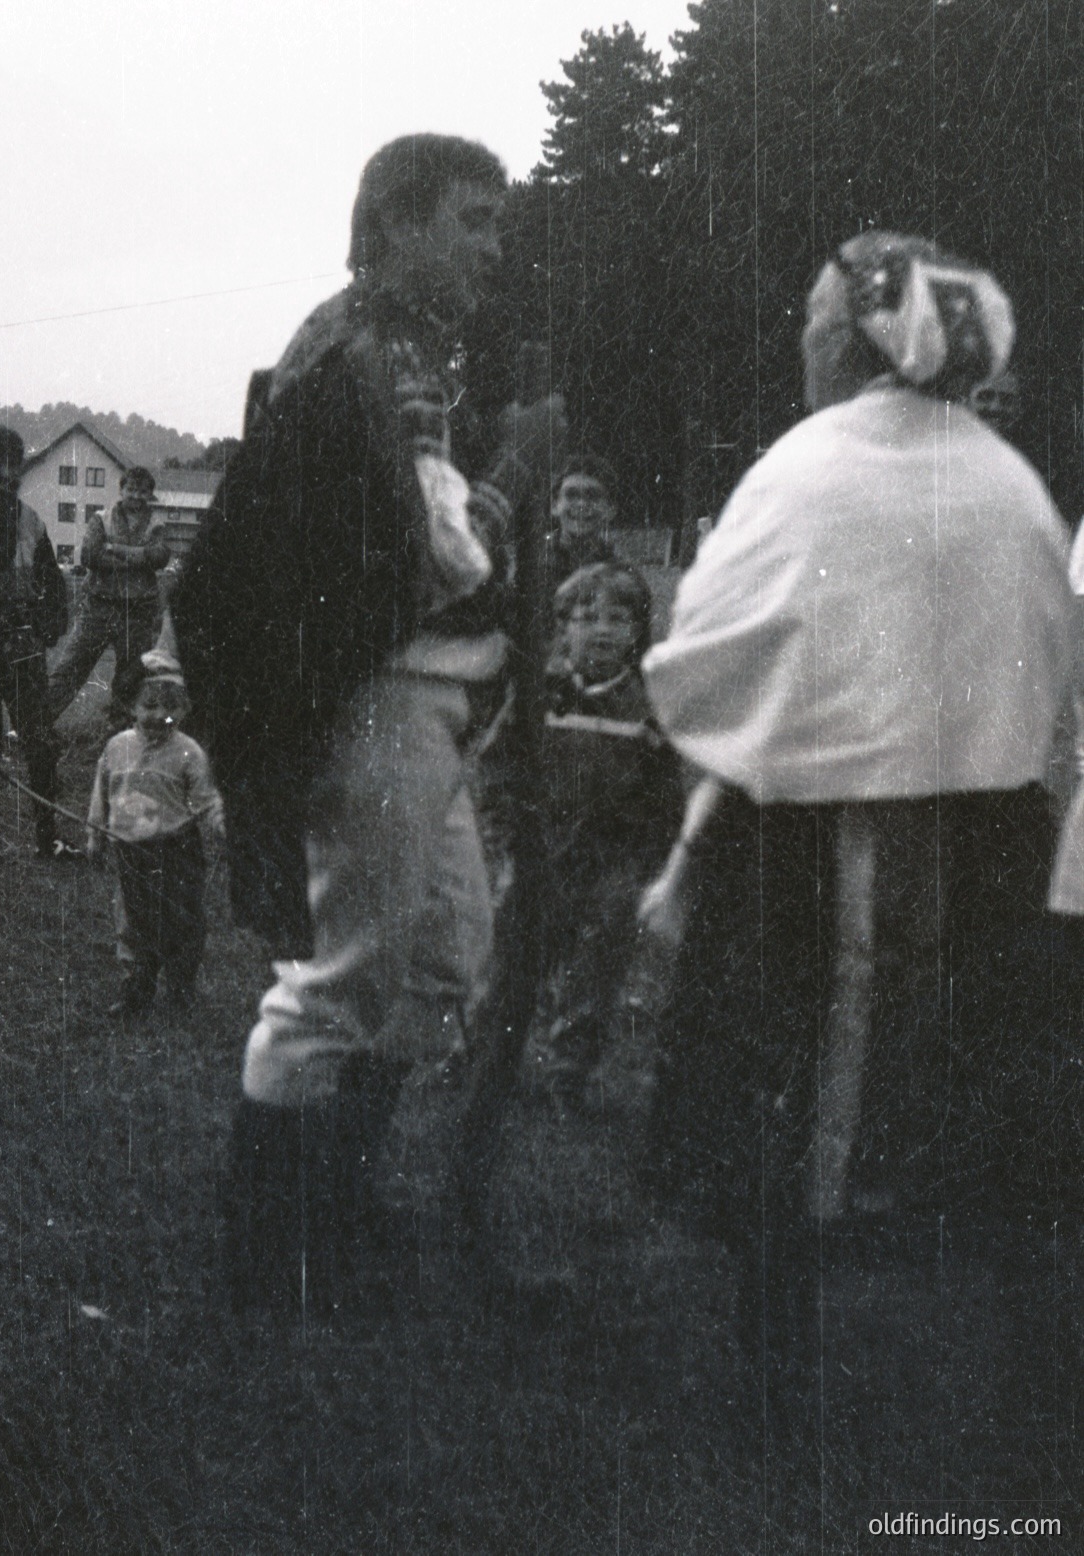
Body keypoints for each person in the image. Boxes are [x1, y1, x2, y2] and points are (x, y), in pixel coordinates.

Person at [640, 232, 1076, 1429]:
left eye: (809, 315)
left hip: (797, 842)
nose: (800, 336)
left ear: (851, 334)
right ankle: (1030, 1396)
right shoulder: (1009, 479)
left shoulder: (805, 466)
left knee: (777, 1111)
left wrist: (777, 724)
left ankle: (773, 1379)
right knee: (990, 1114)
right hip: (985, 843)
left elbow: (703, 648)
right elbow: (1044, 658)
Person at [172, 133, 562, 1315]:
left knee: (444, 957)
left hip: (428, 695)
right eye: (471, 221)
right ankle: (266, 1256)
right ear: (390, 225)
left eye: (499, 223)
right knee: (340, 981)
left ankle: (331, 1209)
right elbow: (437, 556)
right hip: (380, 694)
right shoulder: (365, 357)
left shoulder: (402, 353)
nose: (494, 248)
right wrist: (516, 465)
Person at [521, 562, 681, 1102]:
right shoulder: (538, 696)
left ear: (638, 632)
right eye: (586, 617)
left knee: (596, 967)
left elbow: (665, 799)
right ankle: (486, 1052)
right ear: (562, 626)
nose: (602, 629)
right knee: (515, 955)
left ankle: (570, 1067)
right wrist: (505, 830)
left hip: (611, 862)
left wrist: (644, 863)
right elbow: (499, 765)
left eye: (618, 618)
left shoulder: (645, 706)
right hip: (537, 852)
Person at [86, 647, 224, 1017]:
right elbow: (101, 793)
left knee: (181, 919)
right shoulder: (117, 748)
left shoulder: (189, 753)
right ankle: (137, 988)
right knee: (132, 921)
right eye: (149, 706)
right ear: (132, 706)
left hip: (176, 850)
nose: (159, 715)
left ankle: (181, 988)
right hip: (130, 852)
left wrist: (222, 826)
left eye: (170, 707)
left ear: (184, 709)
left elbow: (206, 799)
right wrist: (94, 835)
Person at [0, 424, 72, 861]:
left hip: (22, 644)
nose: (6, 472)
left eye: (13, 463)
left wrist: (50, 620)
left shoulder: (29, 518)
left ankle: (46, 838)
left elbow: (50, 578)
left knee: (40, 741)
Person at [47, 466, 171, 729]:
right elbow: (89, 555)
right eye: (131, 489)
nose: (136, 496)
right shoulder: (100, 519)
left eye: (143, 491)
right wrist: (137, 557)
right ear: (121, 489)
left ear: (150, 495)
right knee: (70, 667)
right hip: (99, 608)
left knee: (131, 677)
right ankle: (35, 726)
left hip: (137, 612)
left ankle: (118, 734)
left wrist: (115, 549)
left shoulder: (157, 525)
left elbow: (160, 557)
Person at [543, 453, 621, 595]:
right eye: (571, 495)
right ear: (554, 505)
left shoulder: (621, 572)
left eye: (592, 496)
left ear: (610, 509)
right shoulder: (533, 566)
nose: (581, 504)